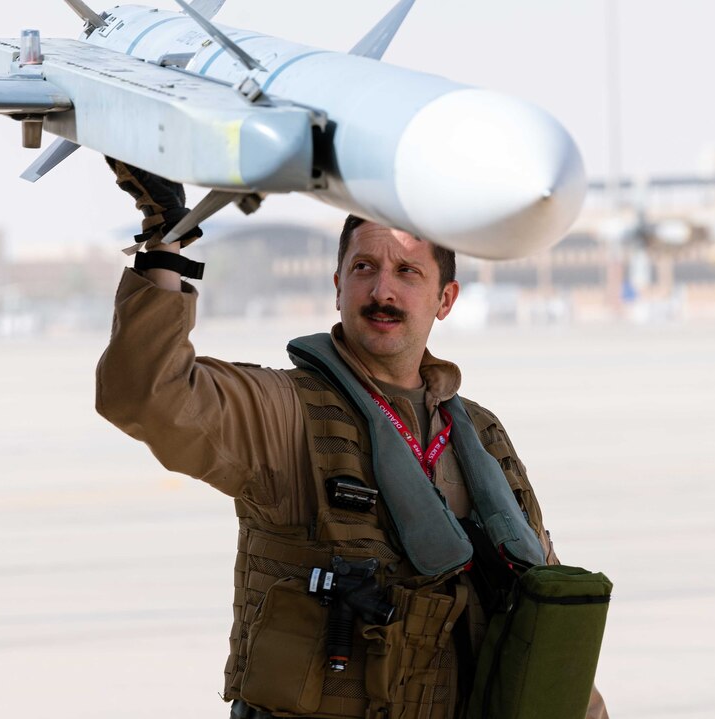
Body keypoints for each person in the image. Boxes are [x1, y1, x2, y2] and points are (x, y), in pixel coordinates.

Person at [96, 161, 608, 719]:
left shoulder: (481, 437)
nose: (381, 289)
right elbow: (144, 392)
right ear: (338, 284)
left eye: (408, 272)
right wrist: (166, 244)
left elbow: (545, 614)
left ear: (445, 299)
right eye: (364, 267)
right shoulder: (287, 414)